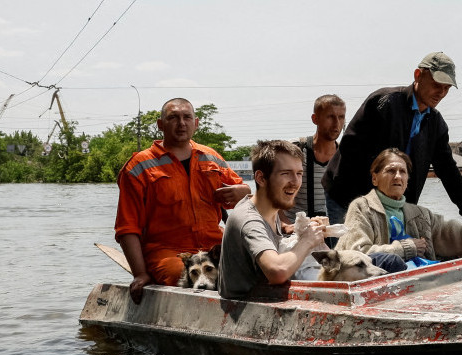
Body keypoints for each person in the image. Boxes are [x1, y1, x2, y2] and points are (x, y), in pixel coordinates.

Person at [115, 98, 251, 304]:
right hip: (167, 252)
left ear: (196, 123)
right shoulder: (139, 166)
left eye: (187, 117)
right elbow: (127, 228)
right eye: (173, 118)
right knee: (182, 277)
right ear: (160, 125)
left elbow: (244, 199)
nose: (181, 123)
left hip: (215, 245)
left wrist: (245, 190)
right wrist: (140, 274)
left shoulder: (211, 157)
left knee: (254, 266)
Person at [322, 51, 462, 225]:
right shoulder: (384, 102)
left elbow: (448, 170)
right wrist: (375, 198)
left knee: (388, 250)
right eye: (436, 85)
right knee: (348, 250)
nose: (441, 93)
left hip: (393, 205)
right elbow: (350, 147)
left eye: (446, 88)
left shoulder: (436, 124)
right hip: (347, 196)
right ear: (418, 75)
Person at [336, 149, 462, 267]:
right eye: (390, 171)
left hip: (423, 282)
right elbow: (357, 255)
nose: (398, 176)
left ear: (408, 179)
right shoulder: (362, 208)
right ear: (375, 177)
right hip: (382, 288)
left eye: (403, 171)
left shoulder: (420, 215)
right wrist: (405, 249)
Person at [220, 140, 326, 297]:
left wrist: (316, 236)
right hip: (246, 311)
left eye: (299, 174)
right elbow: (277, 271)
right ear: (261, 178)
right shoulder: (248, 219)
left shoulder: (270, 212)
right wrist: (308, 240)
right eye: (285, 174)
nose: (296, 183)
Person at [283, 94, 346, 223]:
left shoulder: (345, 156)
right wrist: (286, 226)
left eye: (341, 117)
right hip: (295, 232)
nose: (337, 123)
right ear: (315, 118)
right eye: (330, 117)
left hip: (330, 234)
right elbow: (270, 191)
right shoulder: (294, 148)